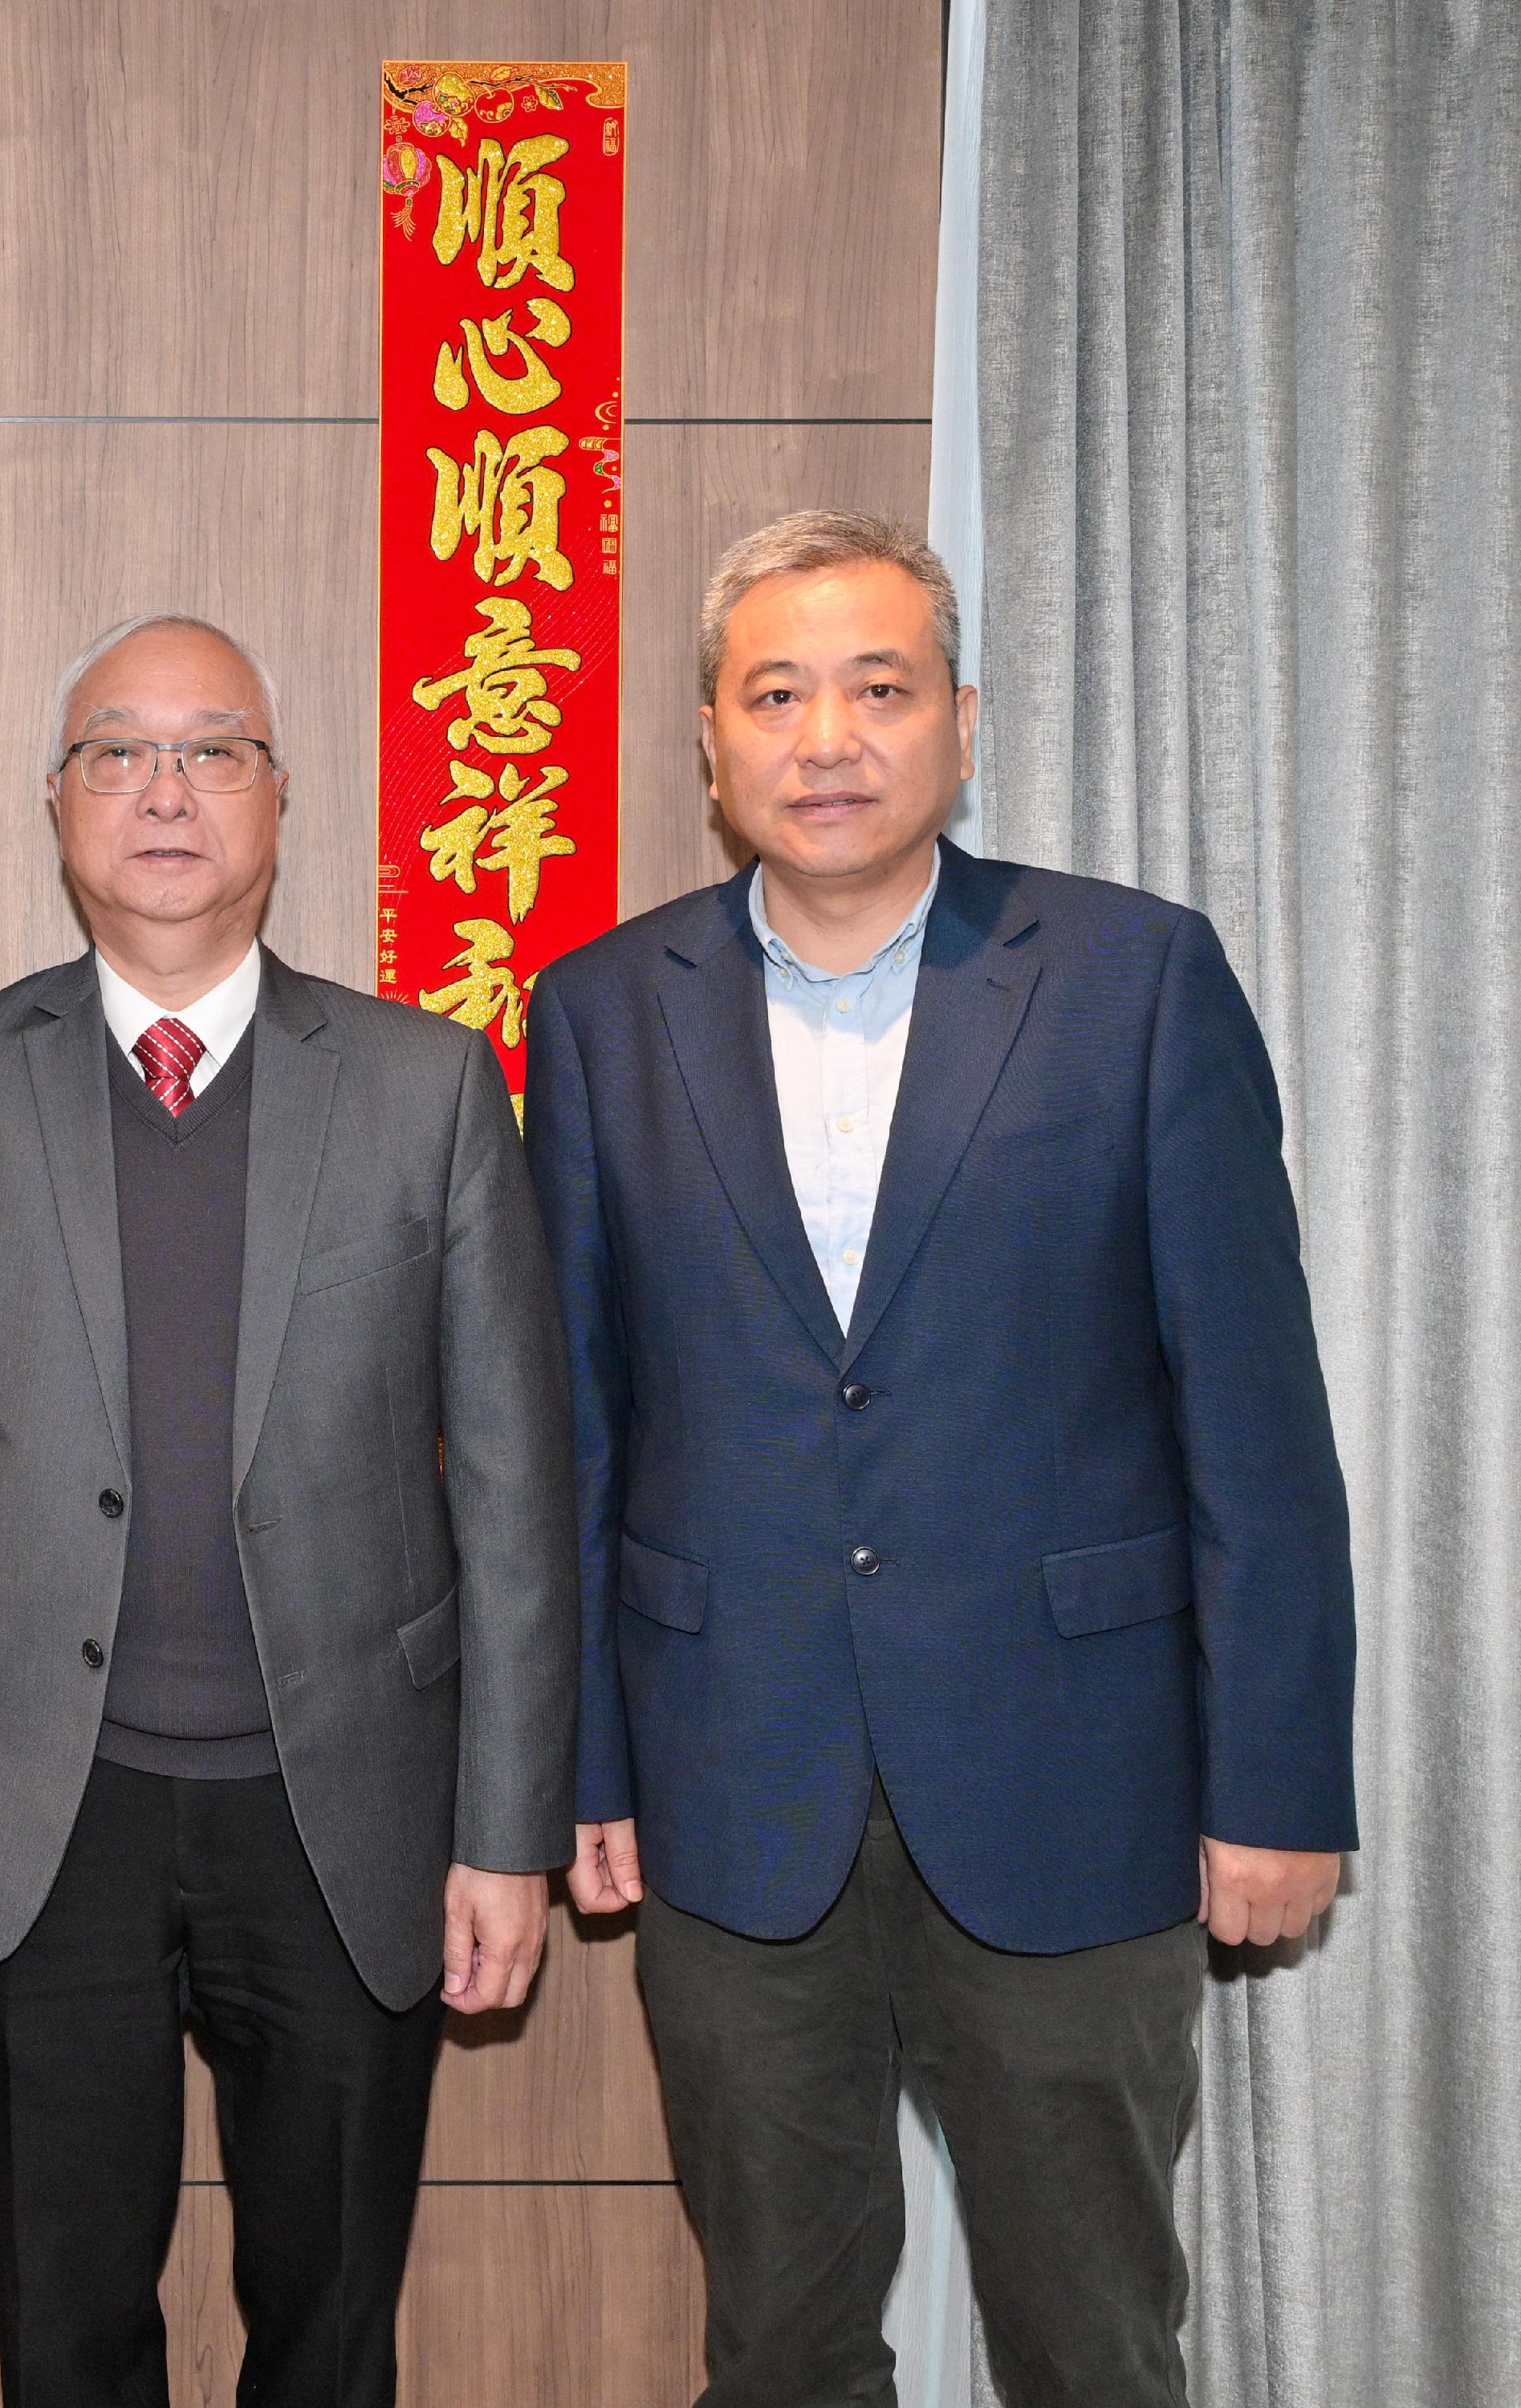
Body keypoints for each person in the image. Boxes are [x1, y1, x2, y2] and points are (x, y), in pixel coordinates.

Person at [524, 511, 1356, 2407]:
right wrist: (581, 1761)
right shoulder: (594, 1014)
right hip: (731, 1783)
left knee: (1090, 2339)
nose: (827, 737)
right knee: (780, 2344)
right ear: (711, 745)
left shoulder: (1131, 978)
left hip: (1078, 1779)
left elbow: (1253, 1420)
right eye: (776, 694)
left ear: (959, 726)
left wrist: (1277, 1780)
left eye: (878, 690)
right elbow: (575, 1427)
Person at [0, 613, 580, 2406]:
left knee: (329, 2326)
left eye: (211, 751)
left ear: (277, 799)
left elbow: (510, 1488)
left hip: (338, 1805)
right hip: (40, 1807)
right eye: (118, 750)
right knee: (64, 2326)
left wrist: (502, 1833)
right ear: (55, 804)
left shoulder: (422, 1085)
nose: (163, 791)